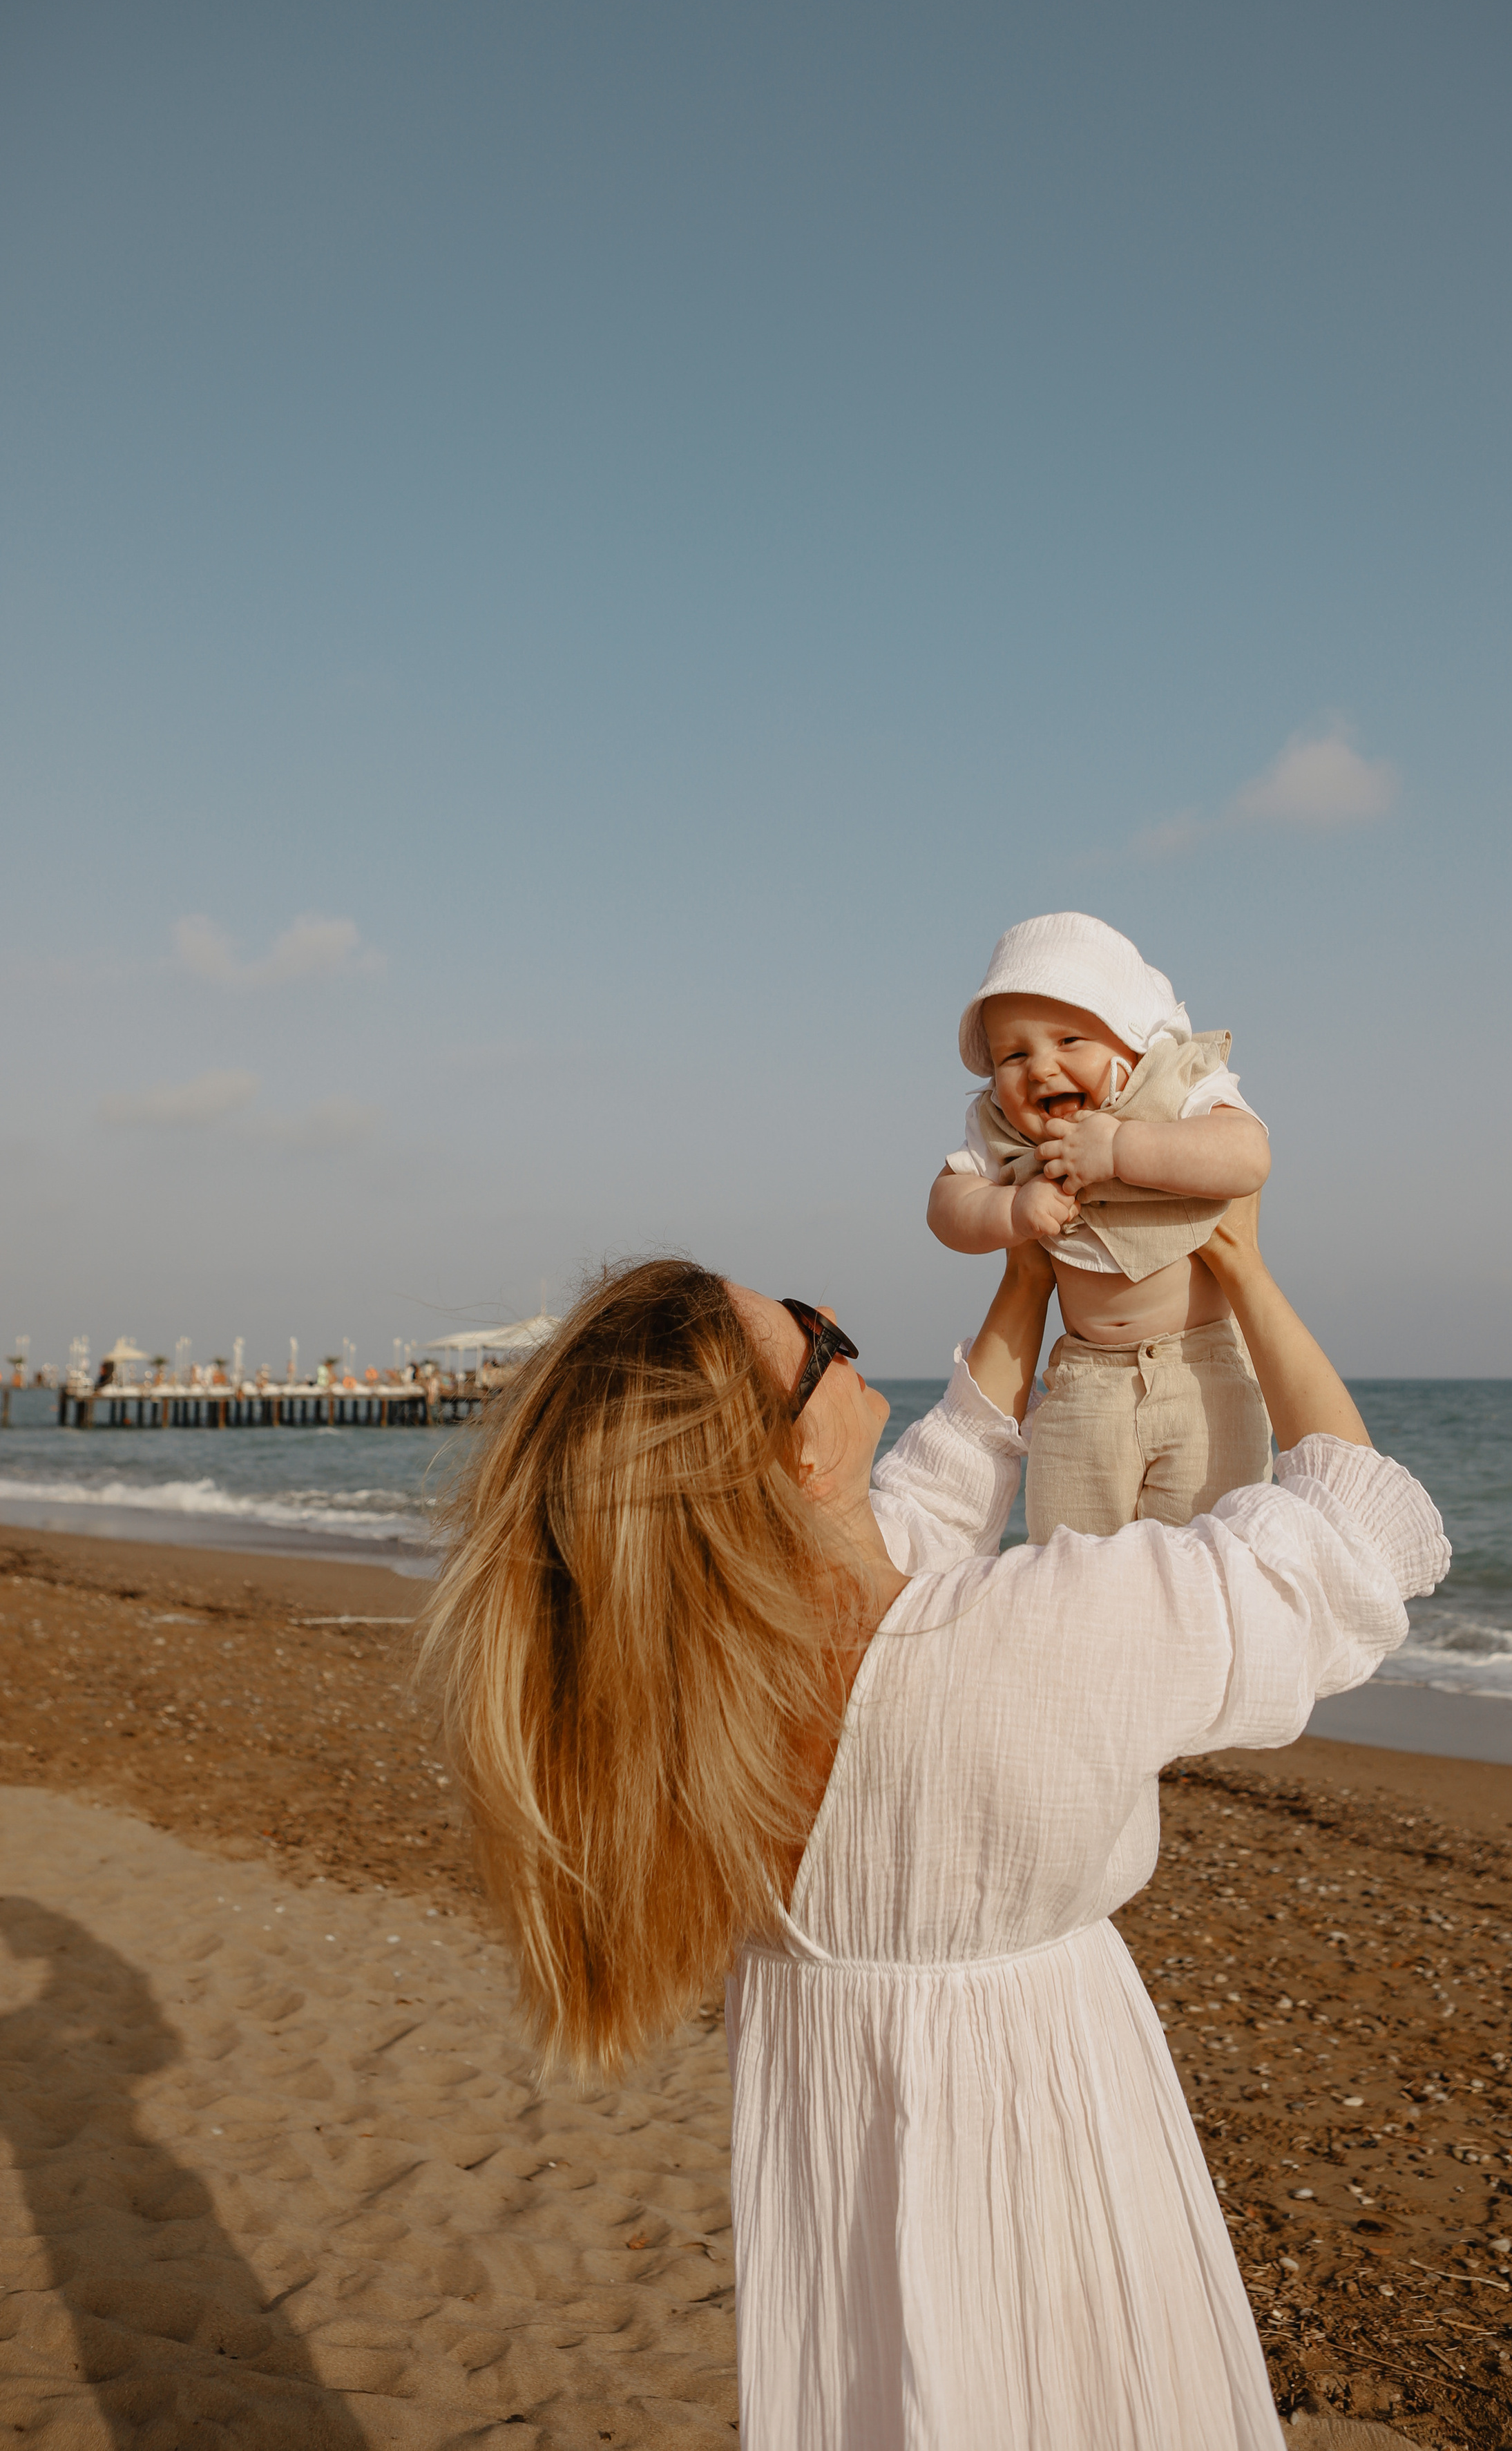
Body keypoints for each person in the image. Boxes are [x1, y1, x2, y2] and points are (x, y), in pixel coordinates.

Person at [418, 1196, 1449, 2450]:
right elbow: (1361, 1530)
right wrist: (1239, 1264)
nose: (840, 1320)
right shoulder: (1041, 1634)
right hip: (1041, 2107)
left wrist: (1027, 1281)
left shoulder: (689, 1696)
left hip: (835, 2140)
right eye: (810, 1332)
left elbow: (938, 1484)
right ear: (799, 1459)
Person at [929, 910, 1274, 1541]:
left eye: (1069, 1042)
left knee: (1215, 1558)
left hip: (1203, 1372)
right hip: (1084, 1381)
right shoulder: (1001, 1132)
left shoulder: (1175, 1086)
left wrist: (1121, 1151)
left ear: (1132, 1039)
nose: (1040, 1069)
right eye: (1013, 1055)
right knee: (1071, 1561)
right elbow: (945, 1207)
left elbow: (1248, 1154)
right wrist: (1009, 1209)